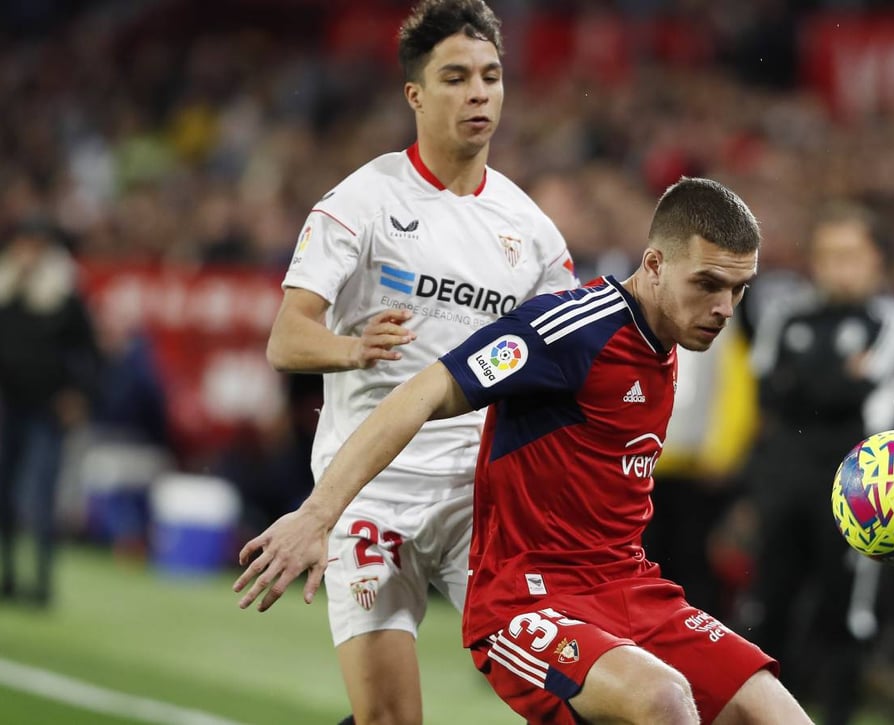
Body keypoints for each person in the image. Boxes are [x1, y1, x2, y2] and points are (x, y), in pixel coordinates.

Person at [236, 177, 812, 725]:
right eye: (708, 284)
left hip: (628, 587)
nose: (725, 307)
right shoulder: (572, 331)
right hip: (528, 600)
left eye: (739, 289)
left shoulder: (664, 345)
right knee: (664, 699)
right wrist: (318, 513)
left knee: (777, 713)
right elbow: (422, 391)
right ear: (655, 265)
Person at [250, 1, 577, 722]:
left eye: (491, 76)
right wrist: (351, 346)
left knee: (572, 690)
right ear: (416, 95)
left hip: (476, 497)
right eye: (456, 77)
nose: (478, 93)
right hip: (368, 492)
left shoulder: (534, 233)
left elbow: (570, 355)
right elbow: (286, 338)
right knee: (391, 718)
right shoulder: (360, 203)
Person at [736, 203, 894, 724]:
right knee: (767, 604)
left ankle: (835, 714)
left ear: (876, 260)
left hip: (858, 485)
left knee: (846, 611)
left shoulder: (893, 318)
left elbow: (848, 390)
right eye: (827, 255)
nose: (837, 267)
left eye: (850, 255)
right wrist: (835, 379)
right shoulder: (785, 314)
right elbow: (770, 389)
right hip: (785, 478)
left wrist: (812, 380)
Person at [0, 217, 100, 607]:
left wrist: (78, 395)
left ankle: (40, 582)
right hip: (6, 405)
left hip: (46, 409)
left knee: (40, 497)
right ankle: (8, 575)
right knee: (4, 495)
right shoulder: (5, 289)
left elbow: (89, 354)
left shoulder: (62, 296)